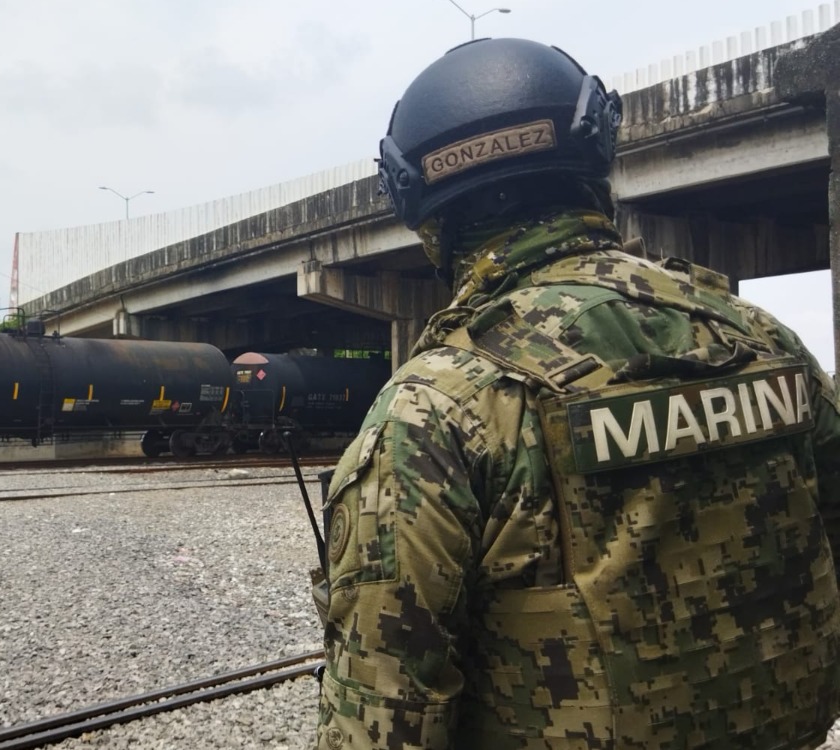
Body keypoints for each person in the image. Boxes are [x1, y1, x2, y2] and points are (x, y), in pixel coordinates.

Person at [314, 37, 840, 750]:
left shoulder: (436, 409)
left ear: (421, 207)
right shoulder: (762, 340)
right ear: (597, 157)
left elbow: (384, 715)